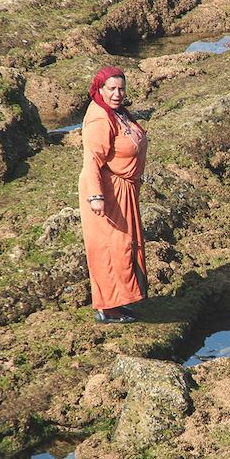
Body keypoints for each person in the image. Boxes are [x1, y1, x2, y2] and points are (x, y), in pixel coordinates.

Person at [78, 66, 148, 323]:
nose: (117, 94)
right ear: (100, 90)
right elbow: (92, 160)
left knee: (124, 244)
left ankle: (118, 301)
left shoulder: (115, 112)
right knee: (110, 247)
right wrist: (96, 196)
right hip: (108, 192)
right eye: (112, 89)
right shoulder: (99, 118)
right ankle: (107, 307)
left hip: (124, 189)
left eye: (121, 89)